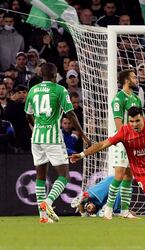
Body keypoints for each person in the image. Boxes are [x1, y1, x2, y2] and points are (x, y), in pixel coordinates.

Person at [24, 63, 90, 223]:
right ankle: (47, 202)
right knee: (64, 176)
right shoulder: (60, 90)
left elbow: (28, 115)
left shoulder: (33, 90)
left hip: (36, 138)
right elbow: (71, 114)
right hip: (52, 138)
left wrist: (37, 126)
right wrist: (83, 135)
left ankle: (43, 216)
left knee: (40, 176)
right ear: (54, 75)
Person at [105, 69, 142, 220]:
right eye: (134, 77)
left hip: (134, 142)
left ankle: (124, 210)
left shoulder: (136, 99)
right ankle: (108, 209)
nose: (136, 79)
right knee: (119, 174)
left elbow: (141, 122)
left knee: (129, 176)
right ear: (127, 80)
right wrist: (127, 139)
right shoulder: (118, 99)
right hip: (122, 142)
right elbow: (119, 124)